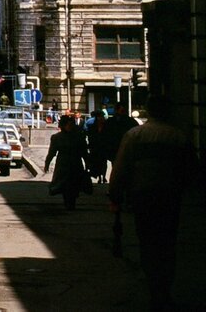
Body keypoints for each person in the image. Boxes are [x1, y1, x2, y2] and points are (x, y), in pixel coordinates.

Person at [109, 94, 197, 310]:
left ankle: (154, 289)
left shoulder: (134, 136)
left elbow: (120, 169)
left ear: (149, 111)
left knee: (148, 243)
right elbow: (192, 170)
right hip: (169, 198)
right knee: (167, 244)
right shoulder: (178, 136)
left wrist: (115, 196)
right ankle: (164, 289)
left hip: (143, 197)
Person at [44, 114, 90, 210]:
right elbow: (52, 152)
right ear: (63, 125)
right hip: (63, 164)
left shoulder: (79, 137)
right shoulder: (56, 137)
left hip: (75, 163)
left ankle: (71, 201)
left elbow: (84, 152)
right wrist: (47, 163)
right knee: (63, 184)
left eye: (71, 124)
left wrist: (87, 164)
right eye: (67, 125)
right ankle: (67, 201)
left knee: (75, 183)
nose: (69, 126)